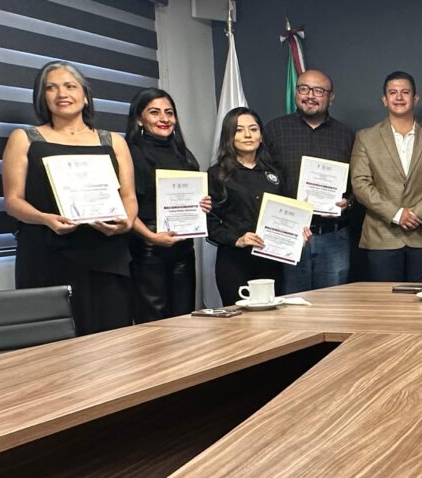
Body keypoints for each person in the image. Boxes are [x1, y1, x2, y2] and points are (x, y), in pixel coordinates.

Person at [1, 61, 138, 335]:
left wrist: (126, 223)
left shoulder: (113, 141)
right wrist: (45, 218)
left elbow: (128, 196)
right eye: (51, 88)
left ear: (85, 96)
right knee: (54, 343)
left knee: (113, 339)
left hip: (106, 252)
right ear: (42, 97)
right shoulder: (24, 138)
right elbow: (13, 201)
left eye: (70, 86)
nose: (61, 93)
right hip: (46, 253)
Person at [350, 71, 422, 282]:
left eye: (405, 92)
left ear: (415, 98)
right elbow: (360, 184)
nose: (399, 97)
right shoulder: (365, 138)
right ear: (384, 100)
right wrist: (397, 214)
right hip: (382, 236)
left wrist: (417, 214)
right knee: (385, 301)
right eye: (393, 92)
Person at [263, 69, 354, 293]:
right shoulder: (274, 130)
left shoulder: (346, 135)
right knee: (292, 304)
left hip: (332, 236)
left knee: (334, 304)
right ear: (296, 92)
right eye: (304, 88)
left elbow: (358, 183)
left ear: (331, 97)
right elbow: (261, 179)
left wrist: (348, 202)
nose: (310, 95)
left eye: (319, 91)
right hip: (287, 234)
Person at [207, 107, 309, 306]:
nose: (248, 135)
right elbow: (209, 223)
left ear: (261, 136)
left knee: (272, 318)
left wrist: (298, 235)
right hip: (234, 261)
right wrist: (237, 239)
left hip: (271, 261)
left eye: (253, 129)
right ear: (229, 136)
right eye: (239, 130)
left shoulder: (275, 173)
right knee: (239, 319)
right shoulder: (216, 174)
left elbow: (289, 212)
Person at [125, 88, 211, 322]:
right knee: (154, 321)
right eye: (154, 112)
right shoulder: (131, 154)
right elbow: (125, 207)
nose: (164, 119)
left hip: (183, 247)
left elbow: (194, 197)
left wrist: (203, 204)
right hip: (148, 248)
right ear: (139, 119)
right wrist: (151, 237)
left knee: (184, 318)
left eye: (169, 112)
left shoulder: (183, 154)